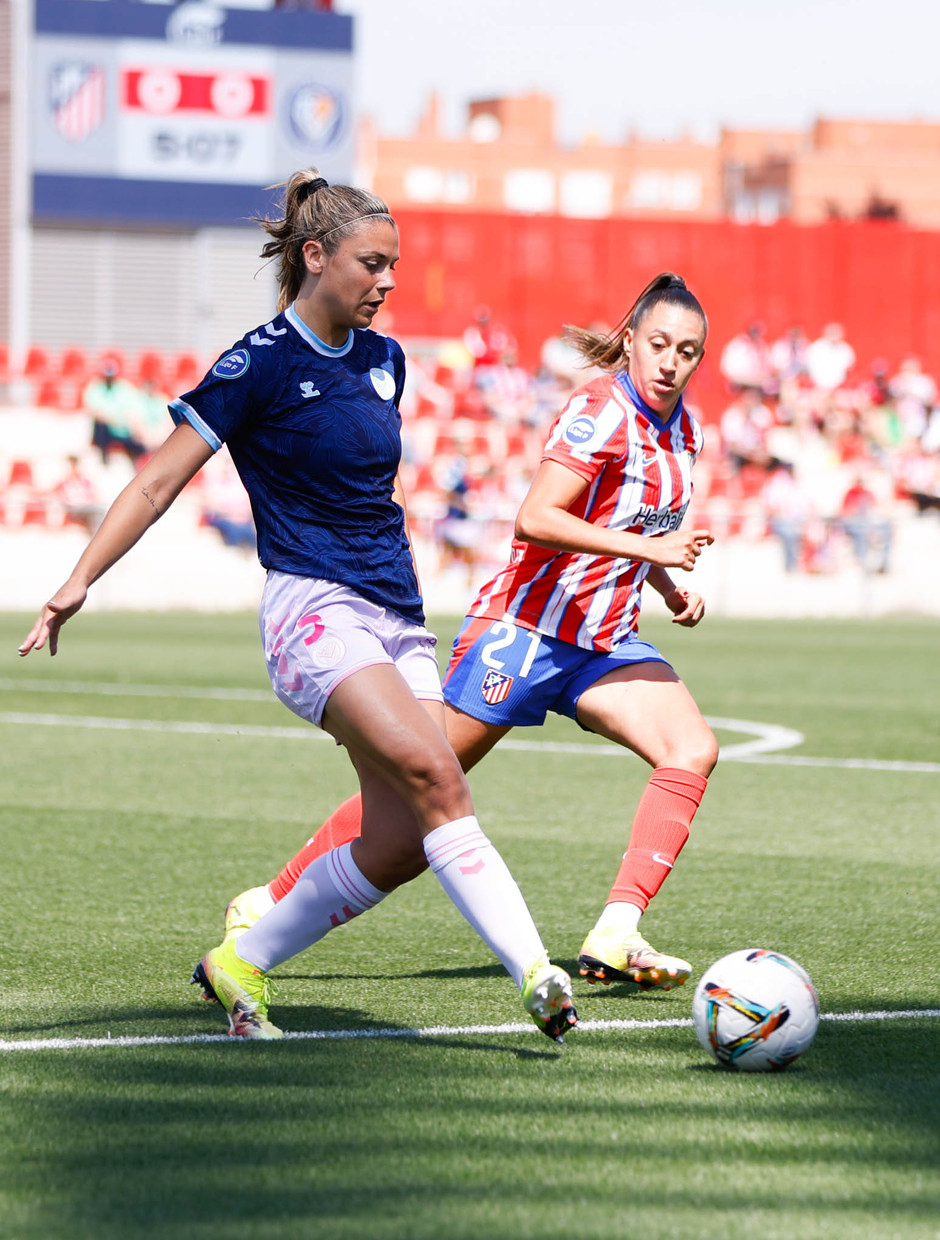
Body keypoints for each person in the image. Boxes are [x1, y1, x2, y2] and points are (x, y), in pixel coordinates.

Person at [18, 167, 577, 1045]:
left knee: (399, 838)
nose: (388, 282)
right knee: (442, 779)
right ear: (315, 257)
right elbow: (159, 481)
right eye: (372, 263)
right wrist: (77, 579)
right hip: (313, 612)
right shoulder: (260, 364)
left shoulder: (388, 362)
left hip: (398, 617)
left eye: (394, 265)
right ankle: (538, 975)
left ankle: (239, 963)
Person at [222, 271, 719, 996]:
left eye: (689, 351)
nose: (672, 362)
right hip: (524, 632)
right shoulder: (599, 412)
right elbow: (537, 518)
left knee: (692, 748)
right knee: (418, 787)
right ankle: (268, 901)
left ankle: (615, 931)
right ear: (630, 341)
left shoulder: (688, 428)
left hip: (601, 641)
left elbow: (629, 520)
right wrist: (655, 555)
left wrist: (667, 583)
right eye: (660, 344)